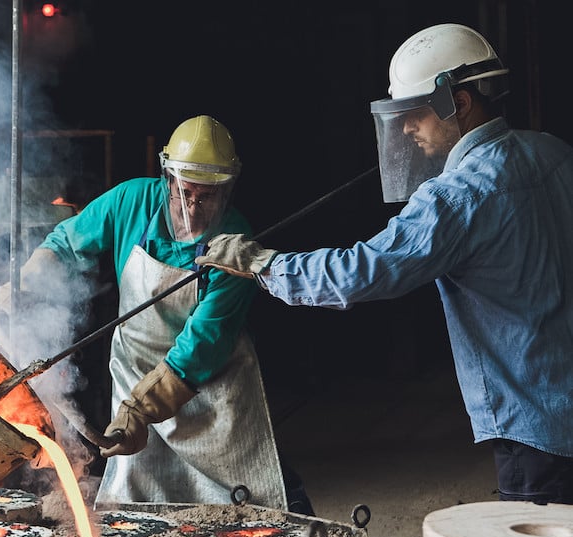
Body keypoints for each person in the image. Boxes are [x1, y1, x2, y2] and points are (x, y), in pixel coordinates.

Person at [196, 23, 573, 505]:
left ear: (456, 104)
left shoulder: (456, 198)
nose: (408, 129)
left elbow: (363, 271)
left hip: (533, 427)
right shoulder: (554, 152)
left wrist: (261, 263)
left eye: (415, 113)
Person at [0, 115, 313, 513]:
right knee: (139, 504)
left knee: (250, 498)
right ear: (167, 178)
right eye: (184, 194)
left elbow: (202, 346)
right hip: (134, 371)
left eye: (206, 197)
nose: (193, 210)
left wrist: (141, 409)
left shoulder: (235, 243)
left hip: (208, 386)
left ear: (226, 190)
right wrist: (25, 283)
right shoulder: (132, 202)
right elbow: (66, 243)